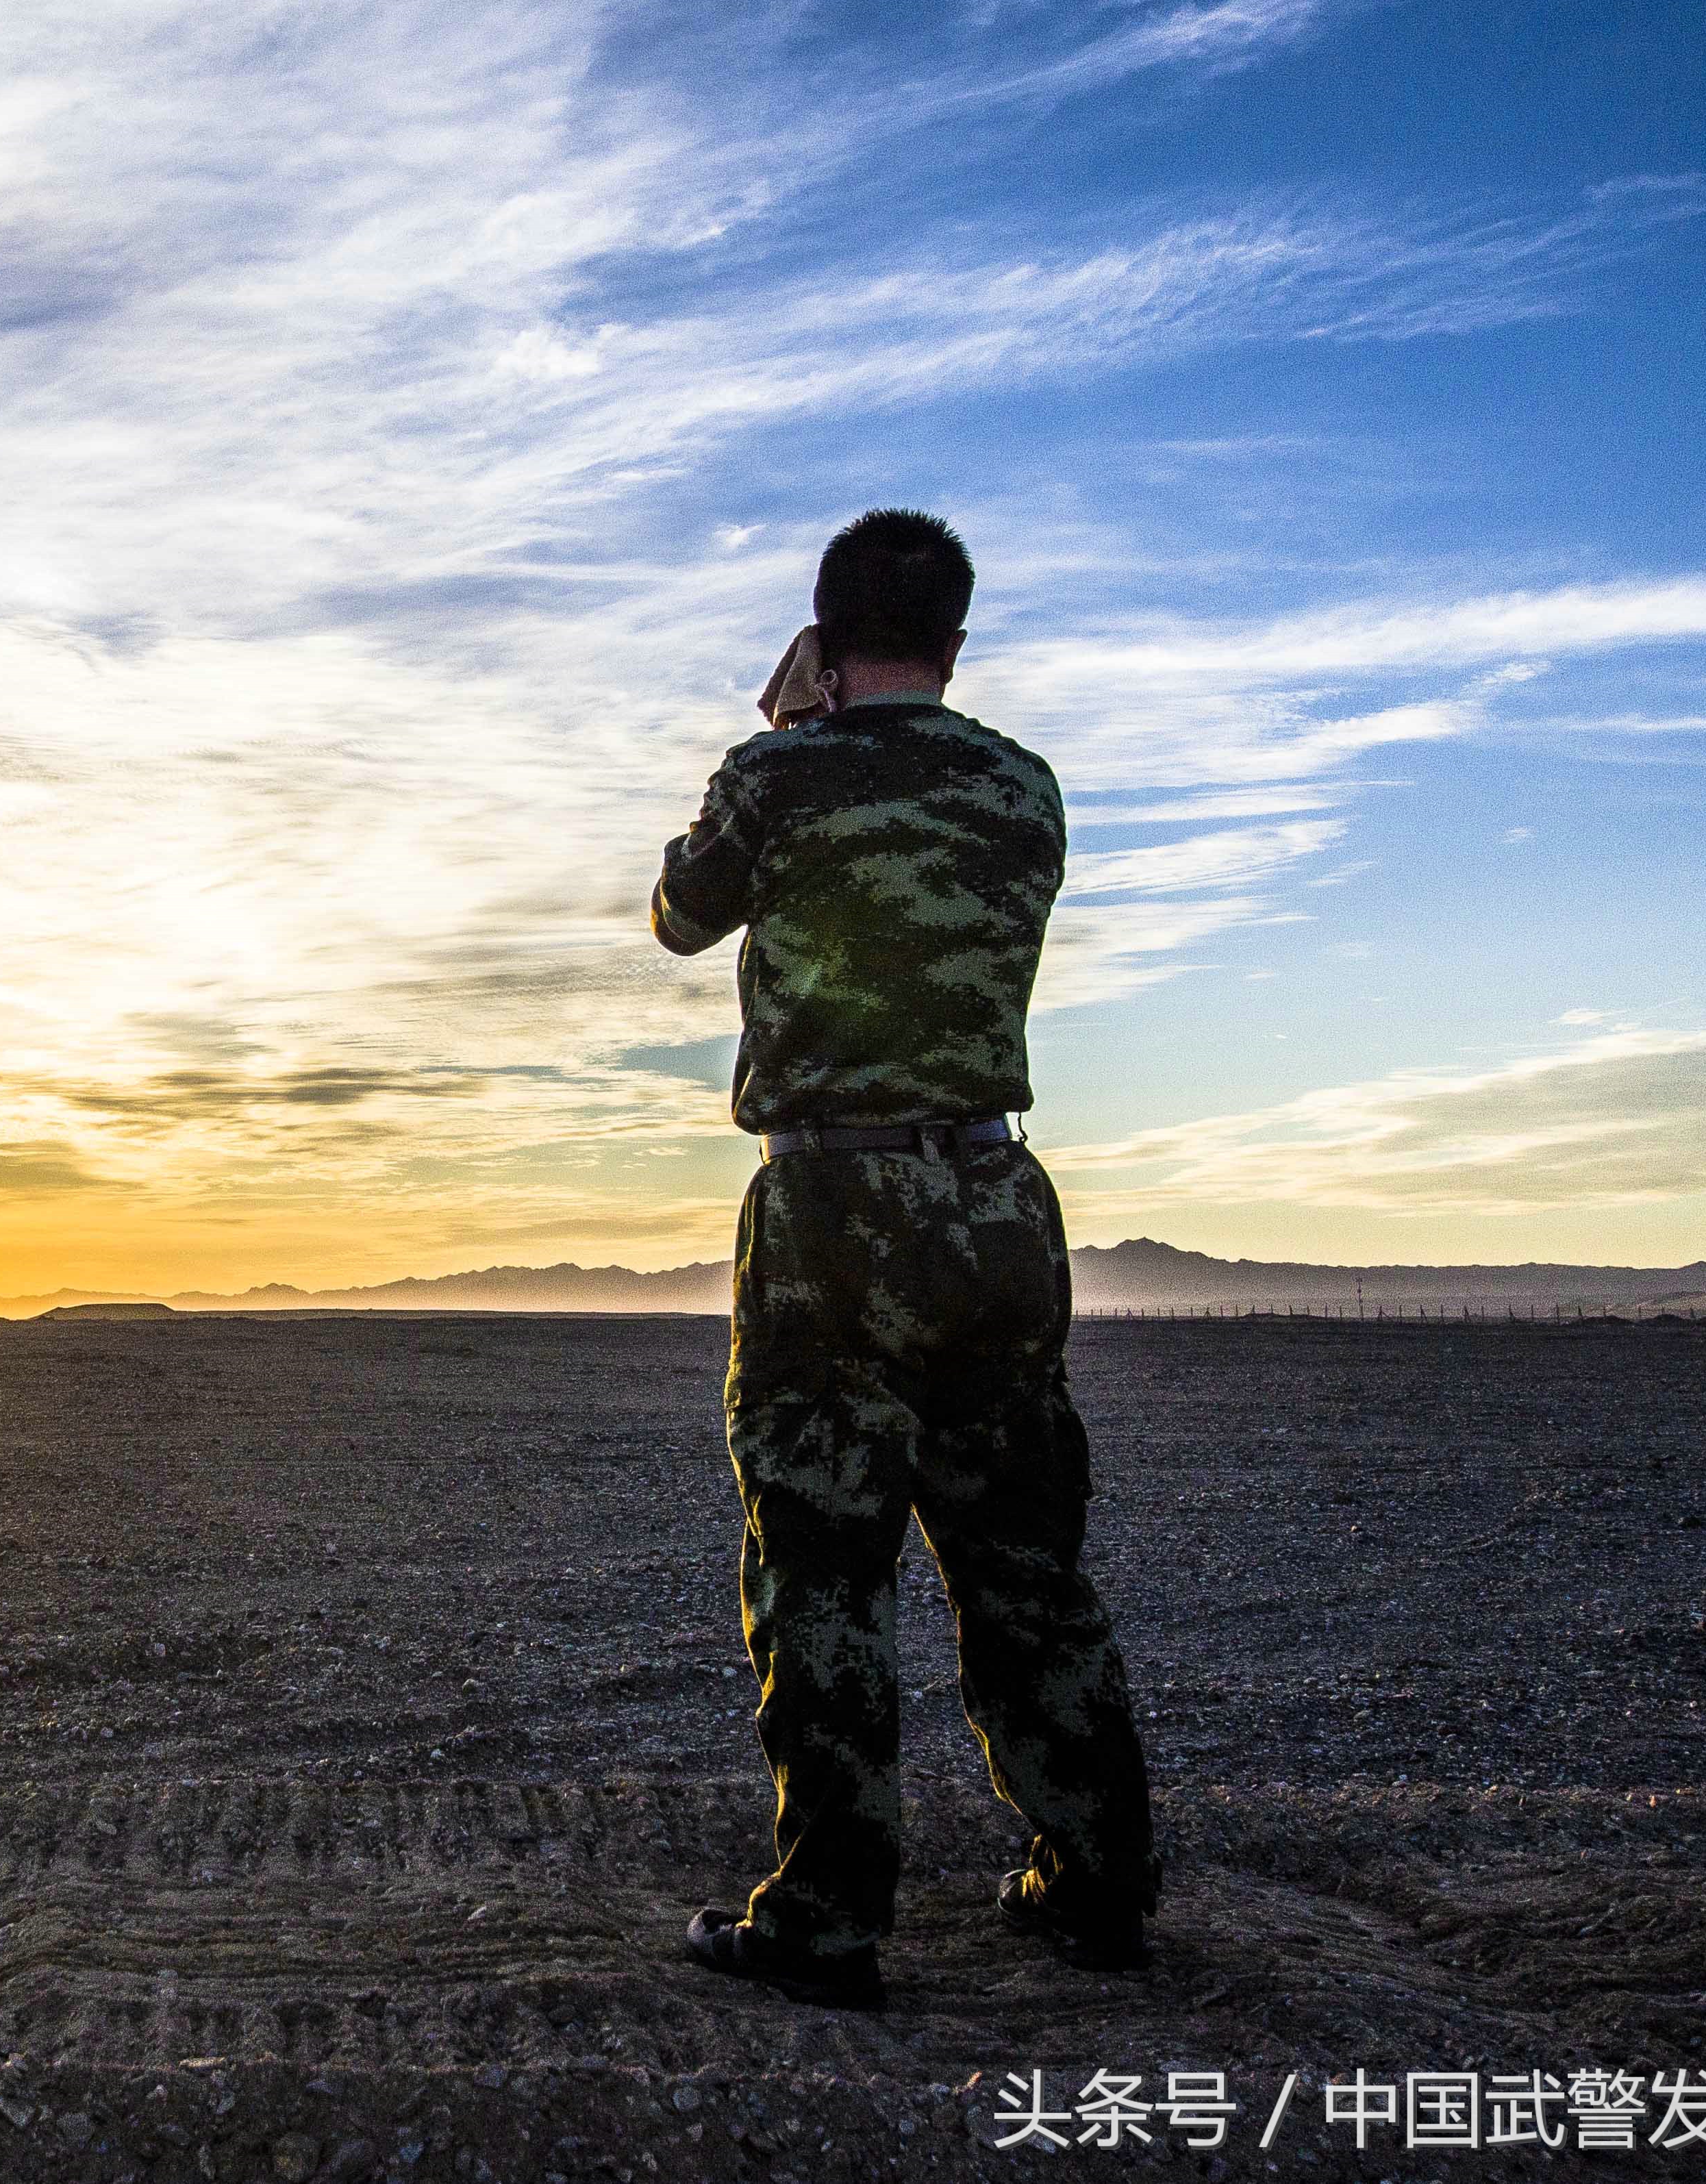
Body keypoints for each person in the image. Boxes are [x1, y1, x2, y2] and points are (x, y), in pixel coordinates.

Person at [647, 508, 1156, 2011]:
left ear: (818, 632)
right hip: (992, 1196)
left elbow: (681, 912)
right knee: (1020, 1557)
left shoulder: (776, 776)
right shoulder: (1020, 787)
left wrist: (782, 732)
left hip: (830, 1204)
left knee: (818, 1557)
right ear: (953, 634)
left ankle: (824, 1914)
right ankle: (1099, 1879)